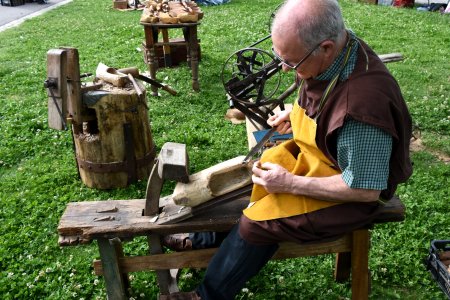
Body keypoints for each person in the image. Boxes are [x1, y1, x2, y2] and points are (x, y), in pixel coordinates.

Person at [161, 0, 412, 298]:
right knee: (259, 173)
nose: (284, 67)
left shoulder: (362, 108)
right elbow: (326, 99)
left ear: (326, 47)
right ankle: (202, 240)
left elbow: (365, 189)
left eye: (291, 62)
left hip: (353, 193)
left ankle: (208, 294)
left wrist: (291, 183)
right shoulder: (335, 50)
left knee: (258, 223)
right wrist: (294, 113)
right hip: (323, 157)